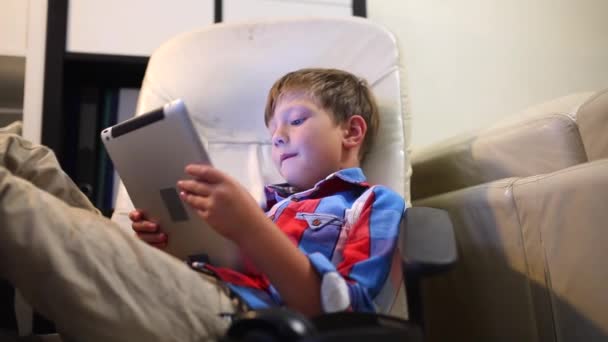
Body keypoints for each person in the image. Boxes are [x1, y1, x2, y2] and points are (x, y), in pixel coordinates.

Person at [0, 68, 405, 341]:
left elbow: (342, 311)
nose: (278, 137)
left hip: (243, 319)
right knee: (15, 153)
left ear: (351, 132)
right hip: (188, 287)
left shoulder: (371, 203)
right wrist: (167, 243)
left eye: (296, 121)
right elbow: (222, 261)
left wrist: (249, 227)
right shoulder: (267, 204)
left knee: (11, 201)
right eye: (273, 131)